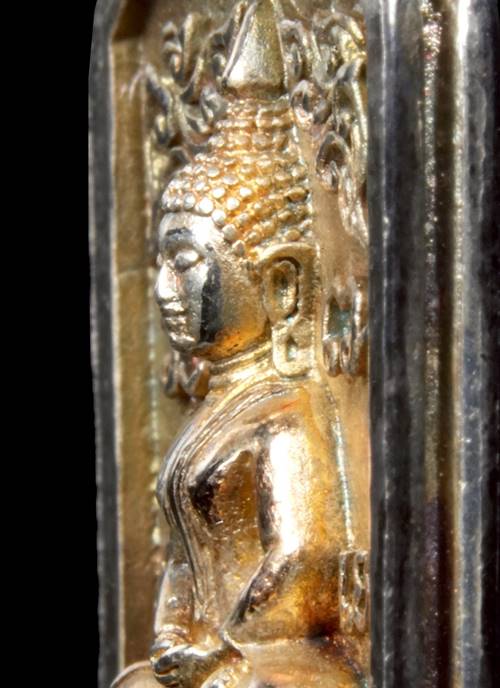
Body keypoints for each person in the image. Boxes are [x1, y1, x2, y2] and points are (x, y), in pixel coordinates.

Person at [150, 2, 368, 686]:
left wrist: (227, 646)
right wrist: (172, 634)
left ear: (280, 284)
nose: (163, 288)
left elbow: (301, 556)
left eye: (186, 265)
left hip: (273, 653)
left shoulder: (289, 412)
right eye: (160, 264)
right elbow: (184, 556)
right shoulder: (214, 409)